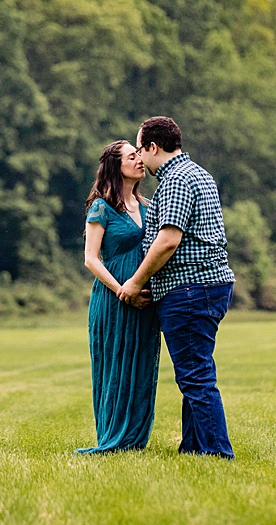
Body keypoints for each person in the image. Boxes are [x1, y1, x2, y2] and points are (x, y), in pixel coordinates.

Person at [118, 116, 236, 459]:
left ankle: (216, 451)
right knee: (194, 371)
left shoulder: (176, 181)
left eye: (141, 149)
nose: (140, 158)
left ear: (154, 147)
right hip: (206, 286)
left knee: (196, 375)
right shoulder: (199, 173)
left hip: (190, 290)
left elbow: (168, 240)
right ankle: (193, 447)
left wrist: (136, 281)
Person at [76, 140, 161, 453]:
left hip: (145, 300)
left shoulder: (150, 206)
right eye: (131, 156)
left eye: (139, 154)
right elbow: (91, 258)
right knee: (114, 366)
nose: (139, 160)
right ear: (115, 166)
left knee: (141, 364)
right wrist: (122, 290)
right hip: (113, 300)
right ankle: (113, 437)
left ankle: (135, 438)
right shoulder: (101, 207)